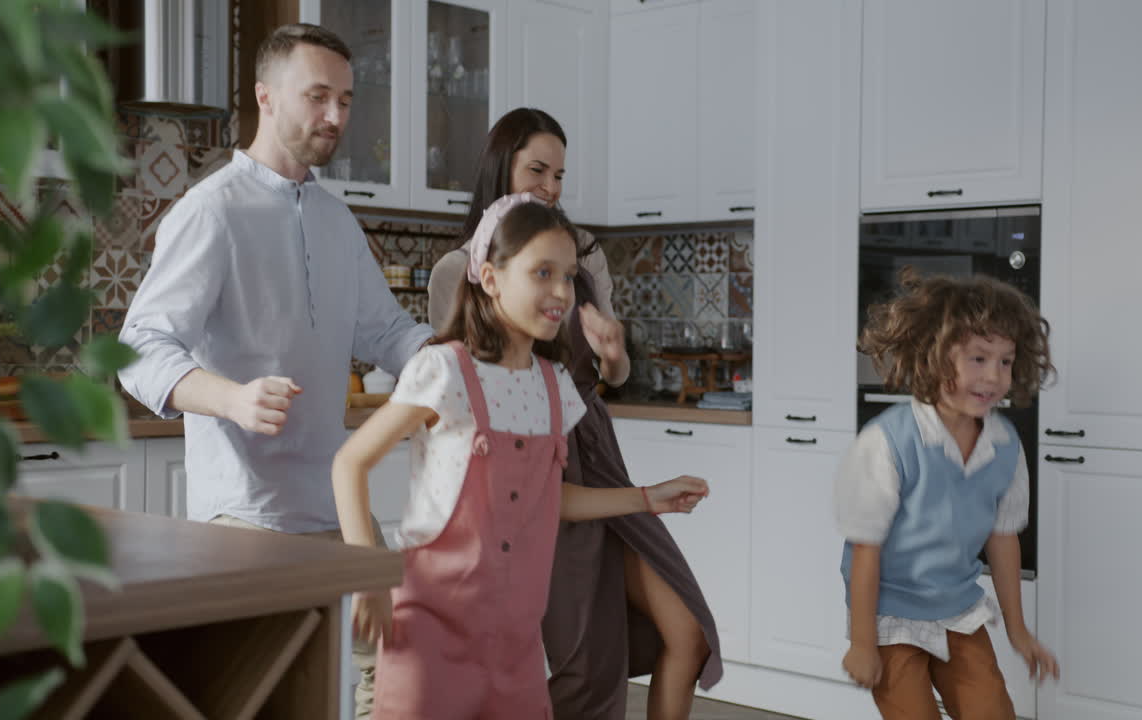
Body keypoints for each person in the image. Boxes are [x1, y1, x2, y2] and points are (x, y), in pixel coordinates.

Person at [117, 23, 432, 717]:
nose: (336, 116)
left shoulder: (337, 220)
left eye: (345, 100)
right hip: (247, 509)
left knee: (399, 669)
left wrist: (464, 360)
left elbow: (386, 332)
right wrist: (230, 398)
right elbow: (139, 345)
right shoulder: (212, 210)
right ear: (265, 96)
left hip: (337, 497)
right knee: (266, 692)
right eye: (318, 96)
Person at [333, 195, 709, 719]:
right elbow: (350, 463)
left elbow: (549, 498)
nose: (561, 292)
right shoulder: (444, 370)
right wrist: (370, 582)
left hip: (515, 649)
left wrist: (647, 498)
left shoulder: (554, 387)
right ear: (490, 278)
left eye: (569, 276)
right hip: (431, 638)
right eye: (542, 272)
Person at [429, 108, 723, 719]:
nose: (550, 188)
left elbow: (612, 378)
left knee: (688, 633)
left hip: (597, 453)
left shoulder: (582, 254)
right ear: (501, 168)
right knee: (577, 663)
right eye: (536, 170)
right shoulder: (459, 269)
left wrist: (614, 355)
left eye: (559, 175)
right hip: (529, 462)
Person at [835, 269, 1061, 719]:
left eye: (1005, 361)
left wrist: (1018, 631)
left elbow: (1003, 538)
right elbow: (866, 548)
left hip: (958, 608)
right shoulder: (887, 442)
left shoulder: (1005, 446)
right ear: (935, 357)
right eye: (978, 358)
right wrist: (862, 642)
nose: (993, 376)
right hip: (890, 616)